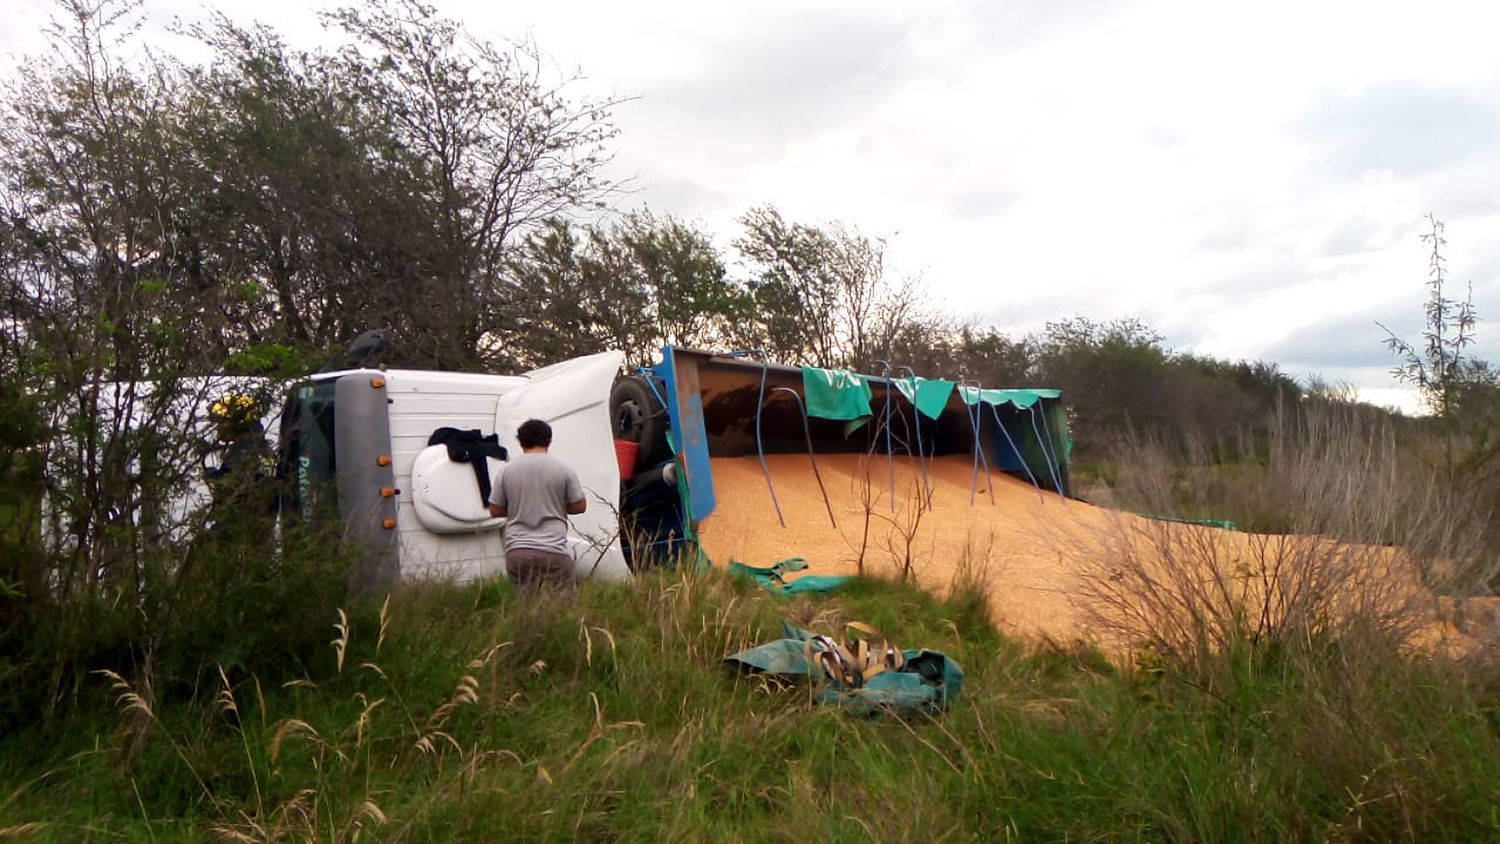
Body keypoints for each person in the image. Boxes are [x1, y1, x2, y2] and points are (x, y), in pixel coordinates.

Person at [487, 419, 587, 593]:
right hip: (554, 550)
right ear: (549, 440)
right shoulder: (563, 469)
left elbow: (495, 510)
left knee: (526, 608)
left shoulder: (506, 471)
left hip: (517, 550)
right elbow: (580, 506)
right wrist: (558, 506)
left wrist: (518, 507)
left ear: (520, 441)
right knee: (564, 608)